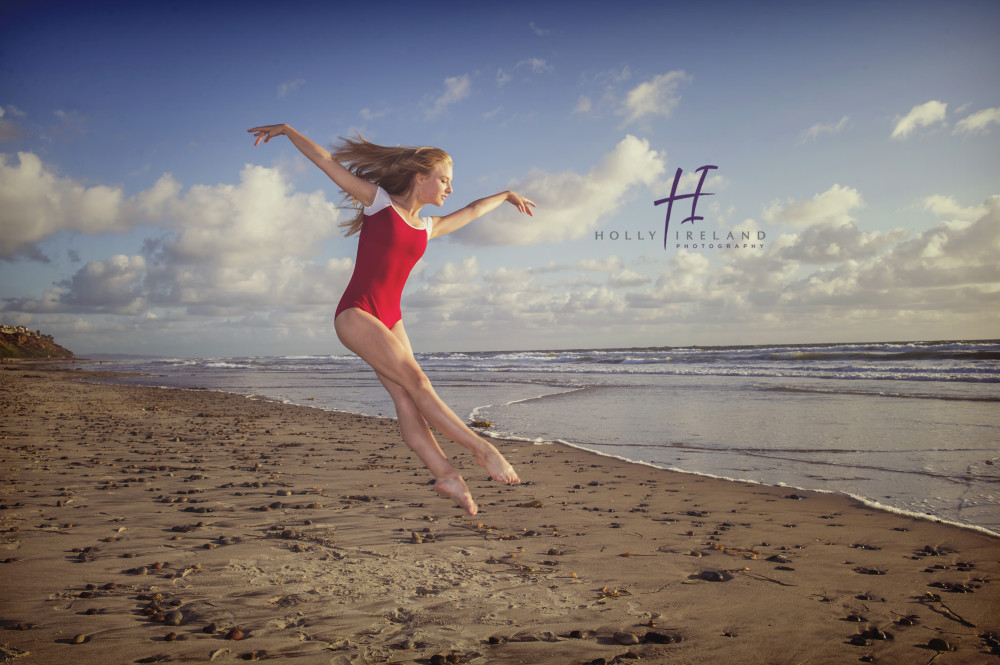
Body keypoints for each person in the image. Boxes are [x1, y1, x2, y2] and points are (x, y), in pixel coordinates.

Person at [248, 124, 535, 516]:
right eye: (444, 180)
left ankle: (446, 474)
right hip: (357, 313)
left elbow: (471, 211)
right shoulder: (379, 202)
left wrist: (505, 195)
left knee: (406, 396)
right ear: (421, 178)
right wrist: (287, 131)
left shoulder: (427, 227)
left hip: (390, 318)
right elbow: (326, 161)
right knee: (418, 382)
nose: (450, 188)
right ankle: (484, 450)